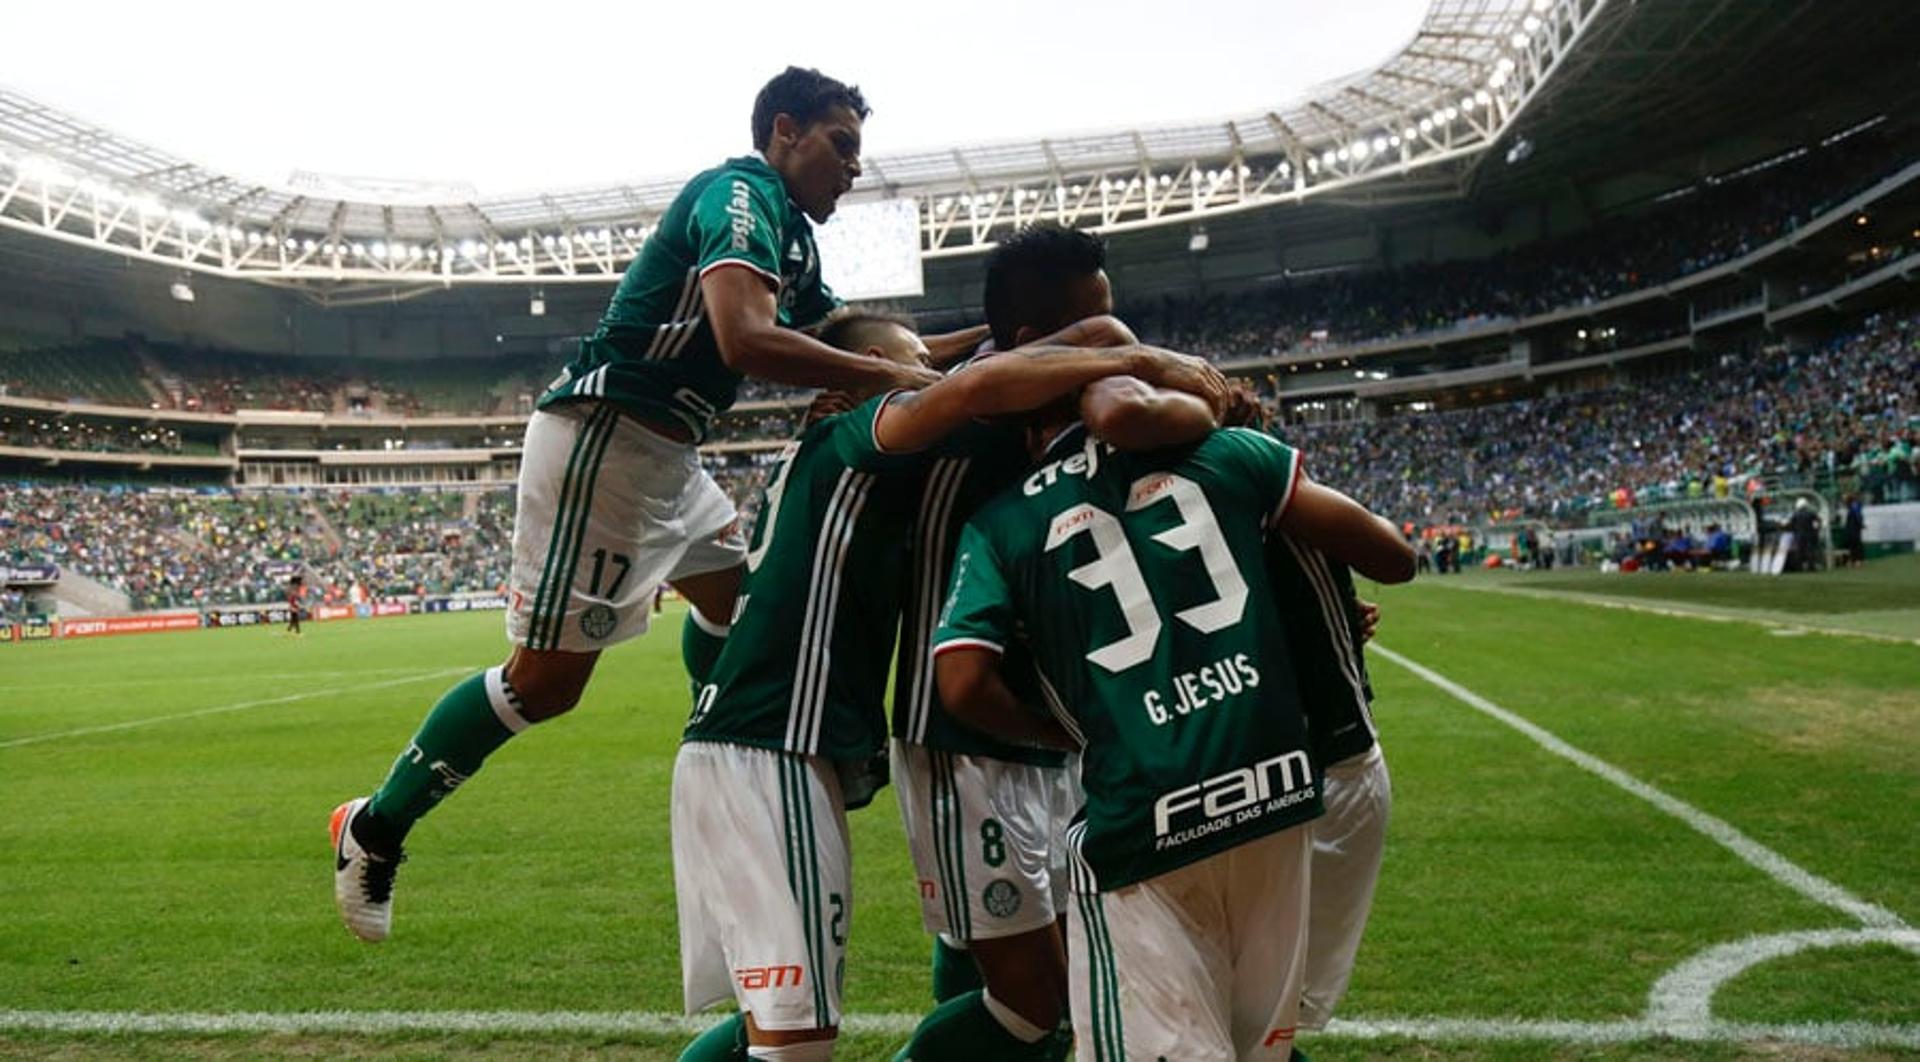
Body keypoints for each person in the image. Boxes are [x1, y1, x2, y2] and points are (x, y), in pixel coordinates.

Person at [330, 66, 968, 944]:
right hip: (606, 436)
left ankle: (727, 762)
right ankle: (373, 824)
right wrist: (896, 374)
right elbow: (747, 336)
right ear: (785, 131)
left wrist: (1005, 346)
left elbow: (883, 346)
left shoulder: (794, 241)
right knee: (546, 685)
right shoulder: (741, 193)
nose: (854, 168)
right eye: (841, 145)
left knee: (742, 606)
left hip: (670, 451)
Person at [671, 311, 1228, 1062]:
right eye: (914, 361)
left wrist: (986, 335)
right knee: (793, 1038)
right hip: (770, 746)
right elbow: (978, 384)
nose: (932, 372)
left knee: (778, 1022)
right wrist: (1155, 356)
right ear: (871, 367)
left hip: (762, 746)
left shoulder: (823, 454)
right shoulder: (861, 429)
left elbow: (970, 362)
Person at [933, 413, 1415, 1060]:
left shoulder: (1001, 520)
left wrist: (1057, 733)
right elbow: (1391, 557)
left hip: (1143, 811)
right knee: (1257, 1045)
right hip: (1274, 793)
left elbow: (961, 683)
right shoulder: (1224, 455)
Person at [888, 225, 1227, 1062]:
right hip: (963, 735)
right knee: (1033, 999)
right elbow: (1016, 369)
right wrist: (1152, 363)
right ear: (1043, 346)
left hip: (1038, 733)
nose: (1115, 347)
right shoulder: (973, 414)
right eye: (1096, 328)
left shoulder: (1041, 422)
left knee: (1043, 977)